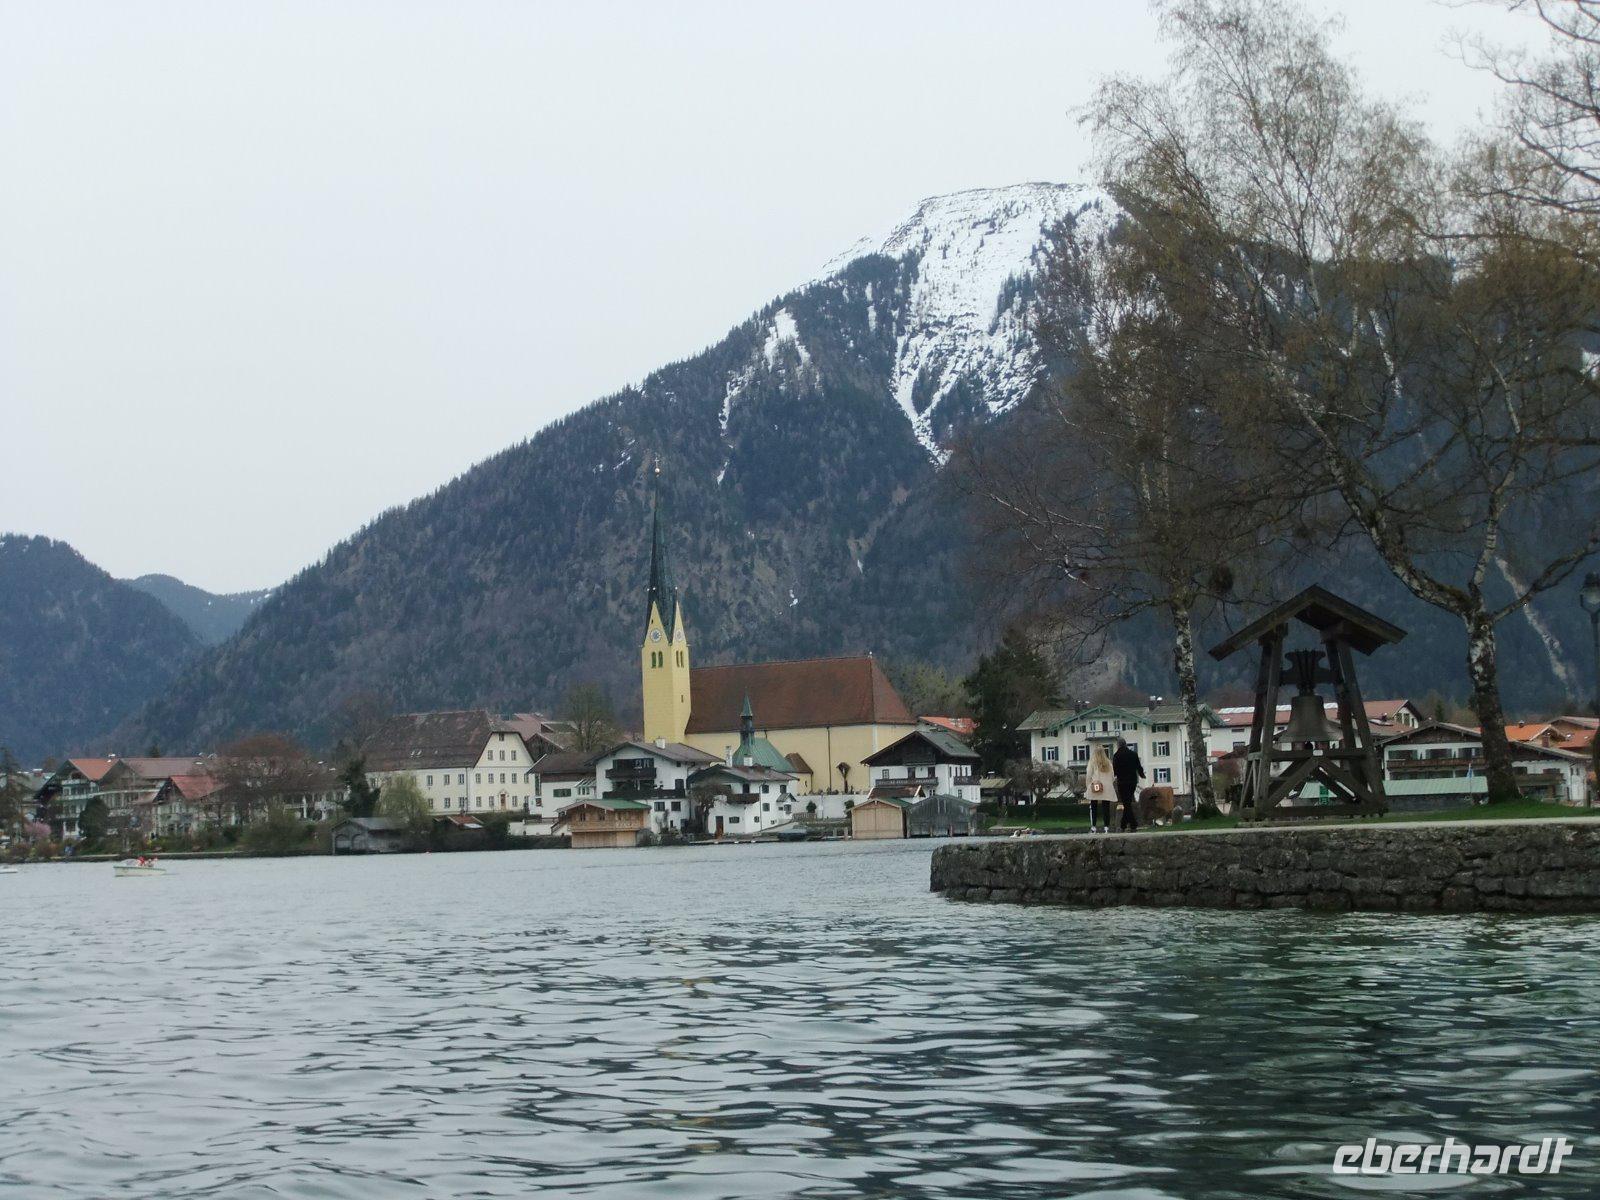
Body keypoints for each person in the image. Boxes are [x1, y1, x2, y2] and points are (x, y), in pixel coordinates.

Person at [1112, 736, 1145, 832]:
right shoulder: (1133, 754)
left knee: (1126, 803)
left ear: (1118, 745)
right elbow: (1139, 767)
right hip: (1132, 781)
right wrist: (1142, 775)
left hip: (1122, 782)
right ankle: (1125, 825)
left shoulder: (1116, 756)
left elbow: (1115, 771)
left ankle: (1131, 824)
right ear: (1125, 744)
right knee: (1128, 803)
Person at [1084, 743, 1115, 833]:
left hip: (1095, 786)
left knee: (1093, 807)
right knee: (1106, 808)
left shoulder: (1092, 762)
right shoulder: (1108, 763)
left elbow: (1089, 775)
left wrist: (1088, 786)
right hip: (1107, 787)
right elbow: (1112, 776)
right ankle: (1106, 828)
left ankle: (1093, 827)